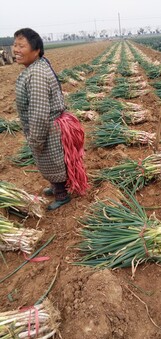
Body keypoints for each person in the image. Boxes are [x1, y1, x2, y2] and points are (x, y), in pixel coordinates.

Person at [13, 28, 89, 210]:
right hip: (52, 125)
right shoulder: (36, 67)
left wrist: (36, 139)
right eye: (14, 45)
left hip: (48, 128)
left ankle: (62, 194)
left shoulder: (37, 74)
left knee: (53, 161)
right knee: (52, 161)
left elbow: (39, 113)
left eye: (21, 46)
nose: (15, 50)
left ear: (36, 49)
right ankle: (57, 186)